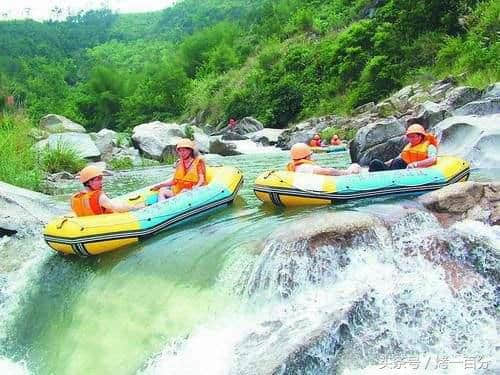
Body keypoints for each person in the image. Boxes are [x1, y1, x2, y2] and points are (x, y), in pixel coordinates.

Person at [71, 165, 141, 216]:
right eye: (98, 179)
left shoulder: (76, 197)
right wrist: (136, 207)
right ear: (89, 182)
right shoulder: (99, 197)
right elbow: (118, 208)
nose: (101, 182)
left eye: (101, 179)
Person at [368, 124, 438, 172]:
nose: (410, 139)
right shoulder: (408, 147)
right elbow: (399, 157)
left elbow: (433, 159)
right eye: (409, 137)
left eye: (413, 137)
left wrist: (415, 164)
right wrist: (386, 163)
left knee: (398, 162)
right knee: (375, 163)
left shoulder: (429, 147)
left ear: (420, 136)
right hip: (398, 171)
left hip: (414, 172)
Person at [286, 143, 361, 175]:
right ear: (307, 156)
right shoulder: (305, 167)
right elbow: (329, 171)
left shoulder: (293, 167)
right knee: (355, 166)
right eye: (310, 155)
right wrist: (347, 172)